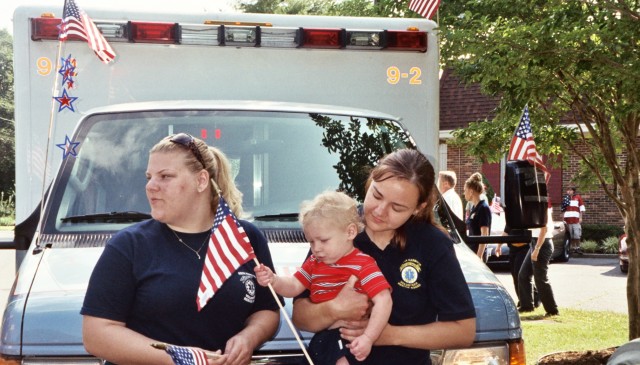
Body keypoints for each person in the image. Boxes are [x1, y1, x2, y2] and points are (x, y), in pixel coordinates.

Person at [81, 133, 280, 365]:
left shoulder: (245, 238)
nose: (151, 186)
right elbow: (96, 334)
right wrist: (177, 359)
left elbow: (268, 310)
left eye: (165, 176)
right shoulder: (128, 246)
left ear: (201, 181)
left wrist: (249, 338)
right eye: (149, 177)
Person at [292, 148, 476, 365]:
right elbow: (299, 316)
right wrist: (333, 309)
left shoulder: (431, 244)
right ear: (370, 183)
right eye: (376, 195)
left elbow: (463, 330)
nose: (380, 211)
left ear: (418, 208)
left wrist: (388, 335)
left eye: (397, 207)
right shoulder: (338, 228)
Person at [254, 191, 392, 364]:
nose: (316, 248)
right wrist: (274, 280)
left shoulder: (363, 264)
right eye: (311, 241)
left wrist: (369, 338)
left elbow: (384, 300)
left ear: (350, 232)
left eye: (323, 240)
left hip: (348, 337)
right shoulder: (313, 263)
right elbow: (294, 286)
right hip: (321, 336)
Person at [518, 204, 559, 316]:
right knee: (523, 275)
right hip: (535, 242)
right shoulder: (532, 206)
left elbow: (544, 229)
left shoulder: (541, 207)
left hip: (542, 244)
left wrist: (537, 249)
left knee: (540, 279)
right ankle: (527, 306)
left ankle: (552, 310)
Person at [464, 172, 492, 258]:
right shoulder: (474, 208)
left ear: (471, 191)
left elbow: (484, 234)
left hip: (478, 254)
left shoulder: (483, 208)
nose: (464, 193)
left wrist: (479, 256)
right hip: (472, 252)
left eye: (465, 190)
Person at [563, 187, 586, 254]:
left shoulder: (578, 197)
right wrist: (563, 219)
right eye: (568, 190)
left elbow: (581, 208)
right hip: (567, 220)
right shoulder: (565, 199)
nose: (569, 191)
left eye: (570, 190)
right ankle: (573, 248)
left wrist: (580, 217)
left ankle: (578, 248)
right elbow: (563, 209)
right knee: (571, 235)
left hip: (576, 220)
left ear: (573, 191)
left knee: (577, 235)